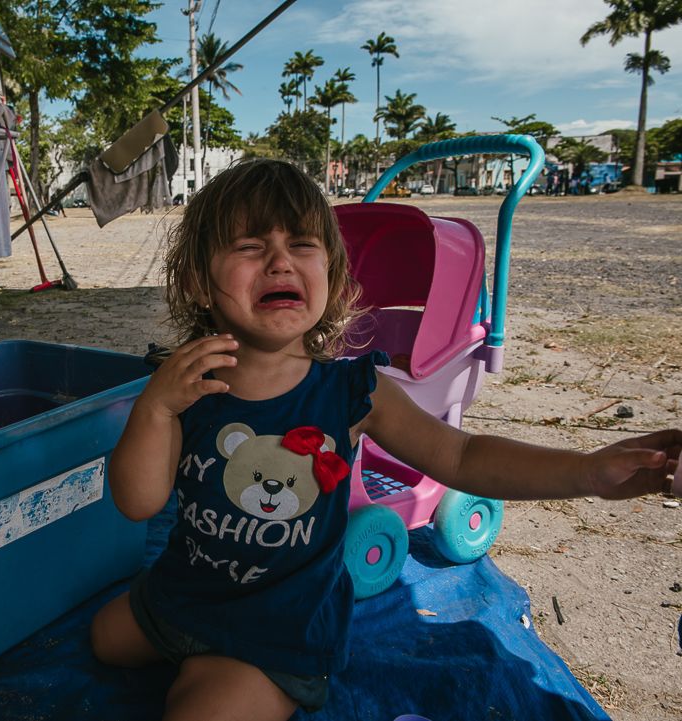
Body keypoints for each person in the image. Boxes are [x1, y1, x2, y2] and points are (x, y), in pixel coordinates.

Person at [88, 157, 681, 721]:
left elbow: (462, 455)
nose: (279, 262)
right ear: (196, 281)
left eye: (302, 244)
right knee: (104, 640)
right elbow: (138, 502)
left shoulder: (352, 391)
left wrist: (589, 472)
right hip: (182, 592)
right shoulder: (187, 383)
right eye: (248, 246)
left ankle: (250, 677)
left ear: (333, 275)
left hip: (277, 626)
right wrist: (156, 407)